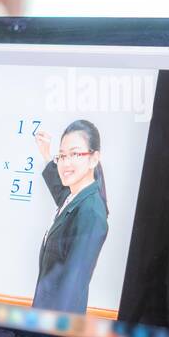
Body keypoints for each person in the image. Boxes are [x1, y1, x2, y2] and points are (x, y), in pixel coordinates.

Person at [31, 120, 110, 314]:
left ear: (94, 158)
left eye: (75, 154)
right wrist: (47, 154)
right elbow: (60, 191)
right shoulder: (74, 197)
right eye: (63, 156)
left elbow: (72, 287)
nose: (66, 163)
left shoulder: (91, 213)